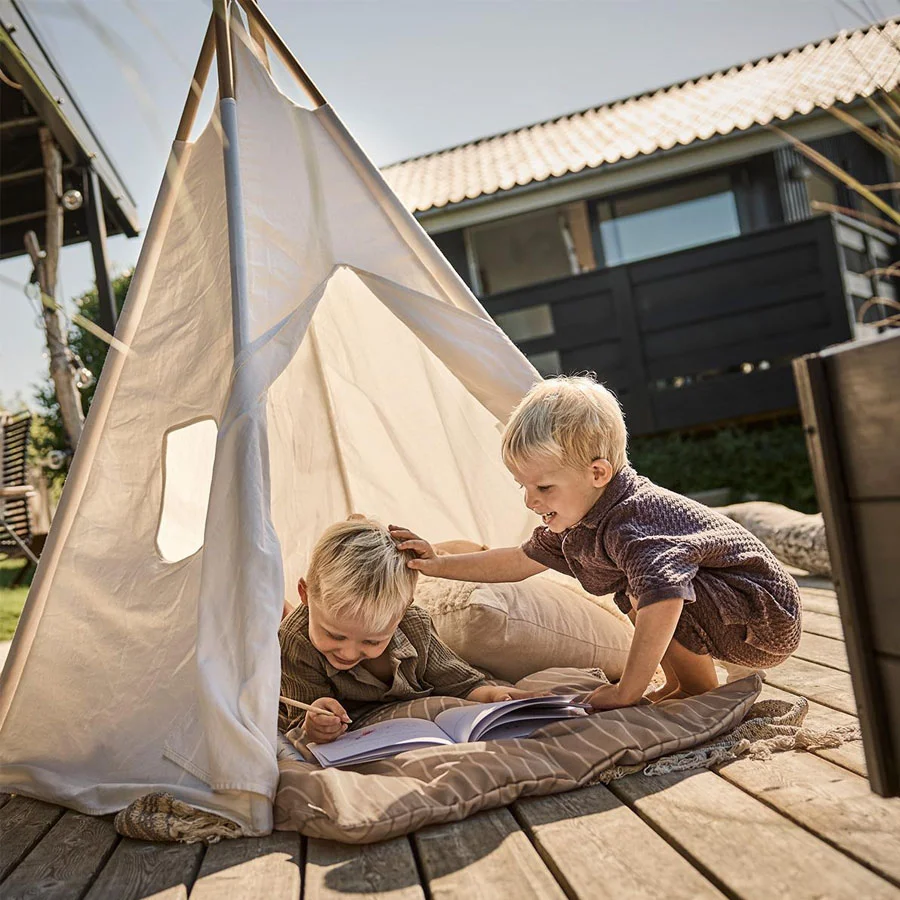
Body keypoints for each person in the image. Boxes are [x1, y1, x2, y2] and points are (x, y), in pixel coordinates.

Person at [390, 375, 801, 711]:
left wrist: (628, 691)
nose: (531, 501)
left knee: (653, 591)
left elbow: (666, 602)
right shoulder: (581, 519)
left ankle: (697, 688)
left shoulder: (633, 520)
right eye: (524, 486)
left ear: (598, 472)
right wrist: (438, 562)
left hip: (764, 617)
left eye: (544, 486)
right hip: (734, 612)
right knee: (638, 589)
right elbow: (517, 561)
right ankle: (683, 682)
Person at [279, 517, 541, 744]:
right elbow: (300, 718)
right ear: (304, 594)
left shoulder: (414, 626)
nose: (348, 651)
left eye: (372, 641)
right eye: (335, 635)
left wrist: (497, 695)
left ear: (402, 613)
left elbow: (462, 684)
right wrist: (315, 723)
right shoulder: (295, 639)